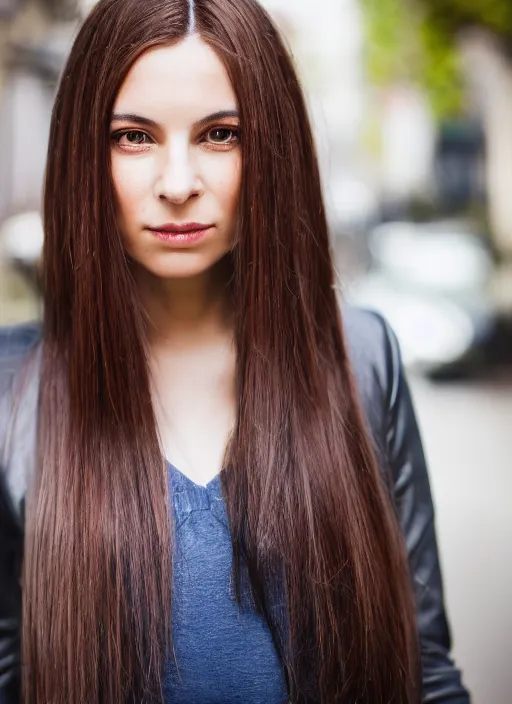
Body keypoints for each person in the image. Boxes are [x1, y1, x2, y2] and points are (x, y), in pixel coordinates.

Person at [0, 0, 471, 702]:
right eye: (134, 138)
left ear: (271, 149)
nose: (179, 183)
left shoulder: (363, 360)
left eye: (220, 134)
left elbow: (424, 672)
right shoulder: (13, 396)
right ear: (82, 154)